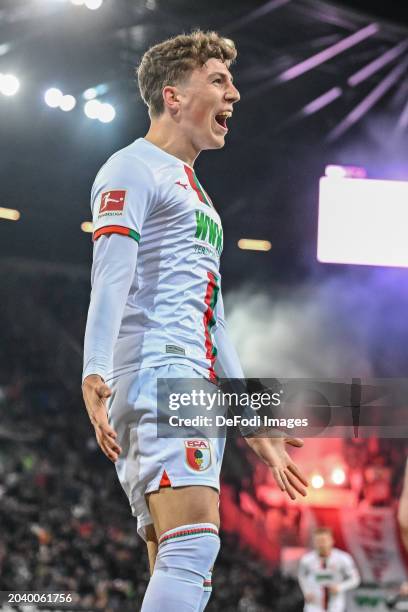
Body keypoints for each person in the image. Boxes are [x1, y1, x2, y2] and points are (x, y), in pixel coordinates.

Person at [81, 30, 308, 611]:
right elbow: (110, 277)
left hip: (188, 379)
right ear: (173, 96)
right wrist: (94, 371)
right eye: (218, 80)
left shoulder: (197, 194)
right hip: (161, 374)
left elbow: (217, 325)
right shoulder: (132, 167)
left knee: (174, 556)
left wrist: (256, 429)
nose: (235, 92)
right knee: (192, 549)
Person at [298, 527, 360, 612]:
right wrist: (306, 592)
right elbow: (301, 576)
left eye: (323, 540)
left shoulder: (343, 558)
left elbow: (355, 579)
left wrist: (339, 587)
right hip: (314, 604)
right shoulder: (306, 560)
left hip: (335, 604)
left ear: (331, 541)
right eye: (318, 541)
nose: (321, 544)